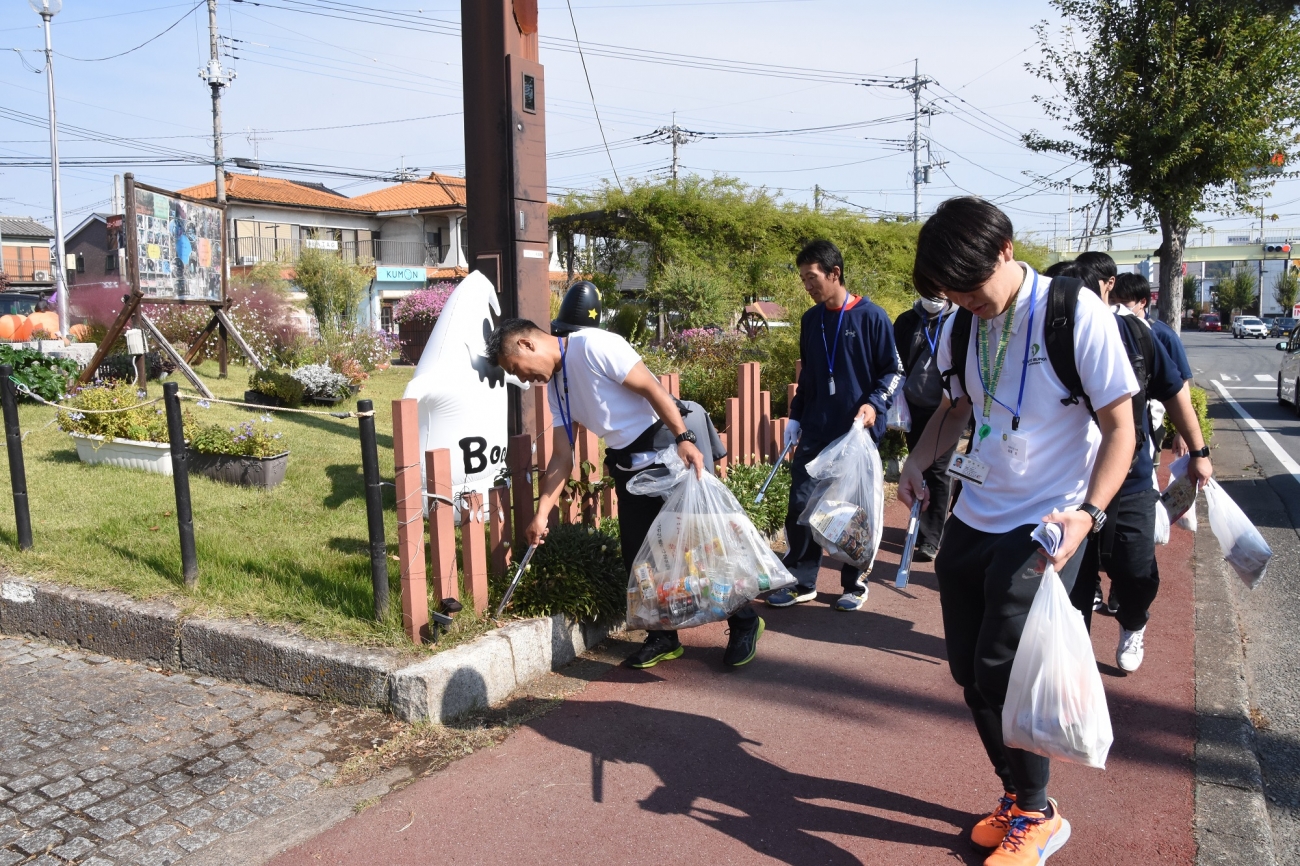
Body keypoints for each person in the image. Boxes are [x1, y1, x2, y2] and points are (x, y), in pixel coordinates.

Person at [899, 197, 1137, 865]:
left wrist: (1088, 514)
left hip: (1048, 520)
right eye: (953, 295)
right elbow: (958, 408)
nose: (966, 303)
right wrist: (918, 461)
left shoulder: (1072, 312)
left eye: (971, 290)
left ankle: (1038, 814)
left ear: (1006, 250)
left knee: (1001, 670)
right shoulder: (960, 327)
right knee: (967, 674)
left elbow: (1122, 428)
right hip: (975, 513)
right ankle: (1014, 793)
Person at [484, 318, 764, 669]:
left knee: (696, 550)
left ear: (527, 344)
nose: (523, 379)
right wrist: (542, 513)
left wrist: (684, 439)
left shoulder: (592, 346)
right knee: (642, 561)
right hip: (629, 469)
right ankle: (663, 636)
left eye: (517, 369)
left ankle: (744, 620)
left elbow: (652, 389)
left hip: (665, 456)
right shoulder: (556, 388)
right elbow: (560, 456)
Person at [1060, 261, 1212, 669]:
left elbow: (1174, 388)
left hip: (1130, 479)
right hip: (1068, 482)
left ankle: (1133, 622)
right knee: (1069, 577)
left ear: (1104, 291)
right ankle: (1072, 661)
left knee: (1133, 568)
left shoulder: (1134, 333)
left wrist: (1198, 451)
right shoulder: (1051, 334)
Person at [765, 240, 903, 612]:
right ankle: (802, 579)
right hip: (816, 428)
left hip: (855, 431)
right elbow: (809, 374)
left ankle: (855, 581)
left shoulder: (871, 317)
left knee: (851, 510)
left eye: (812, 277)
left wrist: (874, 405)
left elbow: (893, 371)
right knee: (800, 504)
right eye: (803, 279)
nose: (807, 286)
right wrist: (795, 415)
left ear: (834, 273)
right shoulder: (811, 320)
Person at [892, 294, 956, 561]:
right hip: (914, 404)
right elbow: (894, 360)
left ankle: (930, 538)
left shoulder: (960, 320)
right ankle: (920, 525)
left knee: (939, 469)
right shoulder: (907, 321)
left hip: (948, 406)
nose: (935, 296)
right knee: (918, 466)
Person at [1112, 272, 1195, 456]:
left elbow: (1181, 384)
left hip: (1151, 421)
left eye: (1124, 303)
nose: (1117, 307)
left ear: (1142, 302)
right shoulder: (1110, 328)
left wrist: (1183, 433)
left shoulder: (1162, 335)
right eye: (1113, 301)